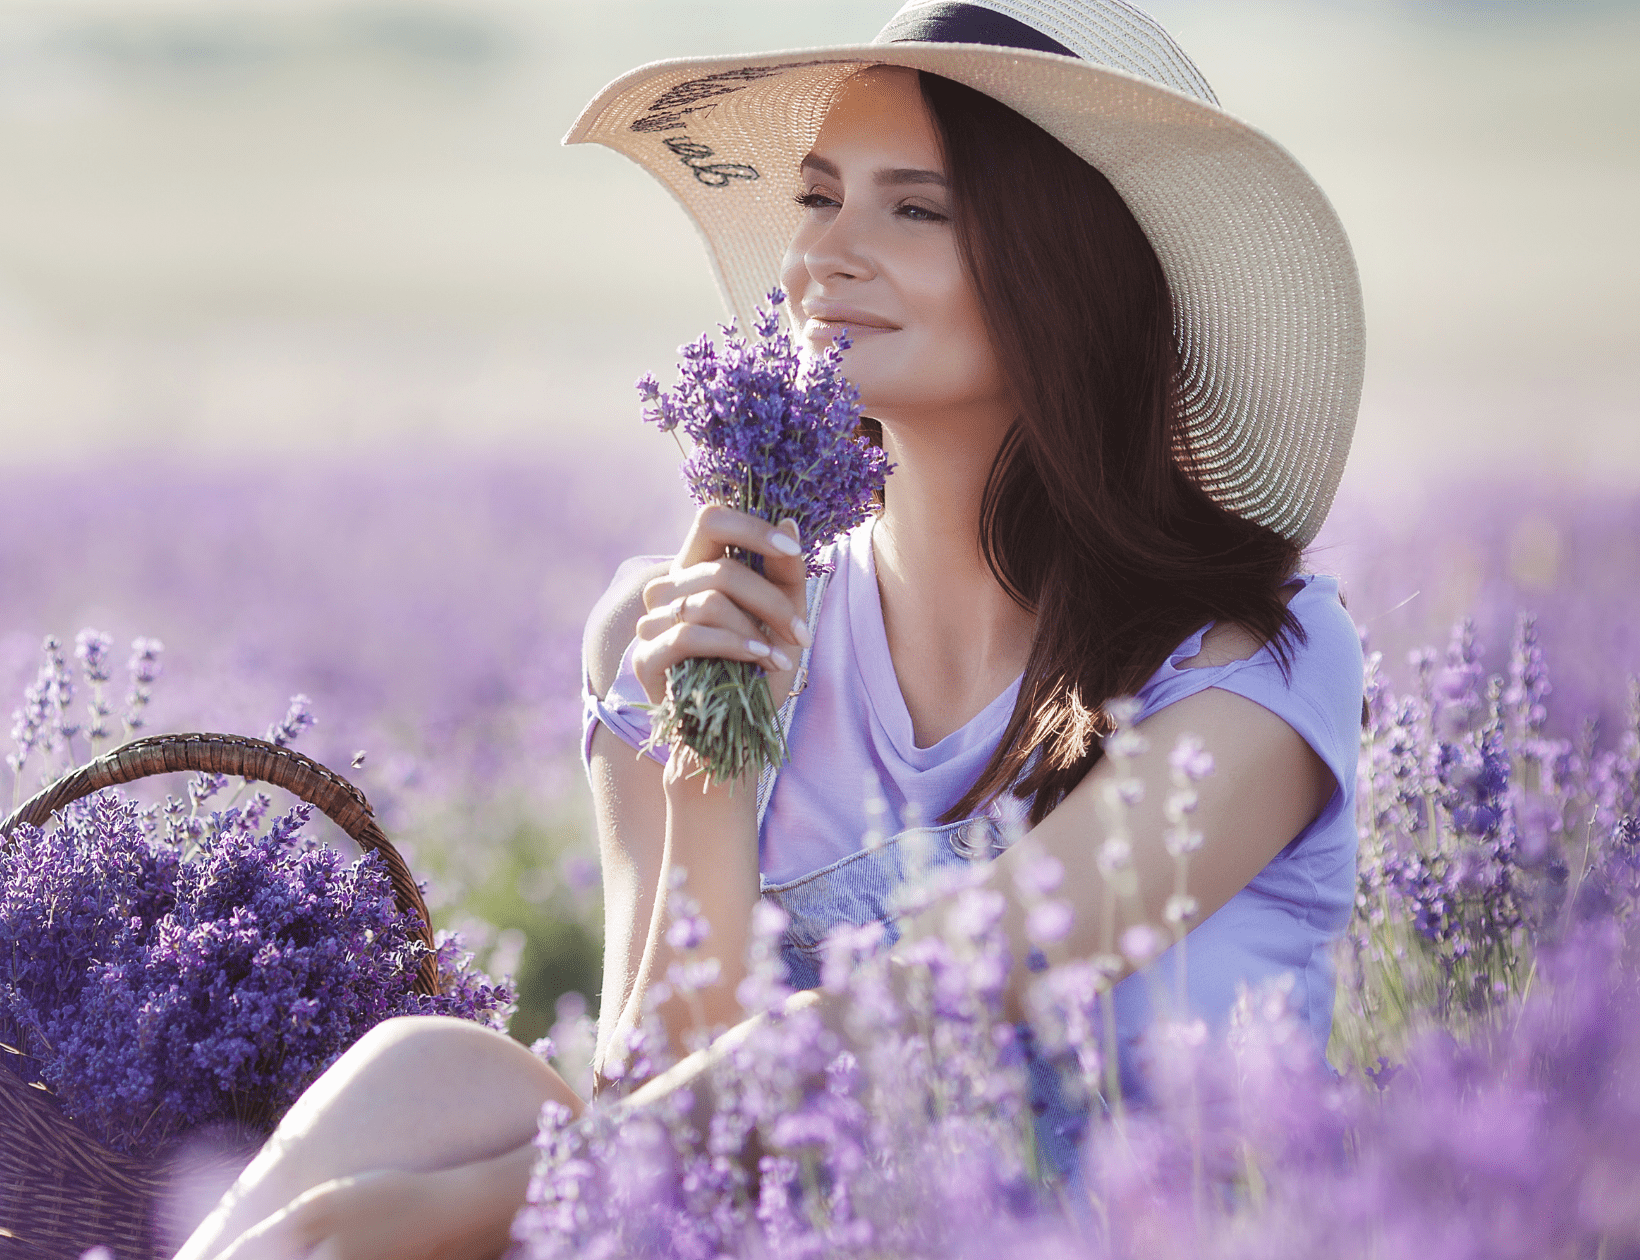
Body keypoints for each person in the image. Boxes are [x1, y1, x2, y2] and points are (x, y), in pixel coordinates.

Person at [174, 2, 1365, 1257]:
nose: (822, 257)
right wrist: (709, 769)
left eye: (914, 209)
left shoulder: (1246, 660)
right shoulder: (672, 621)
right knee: (435, 1074)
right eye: (815, 198)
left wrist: (427, 1215)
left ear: (1060, 273)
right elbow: (653, 1138)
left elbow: (929, 1005)